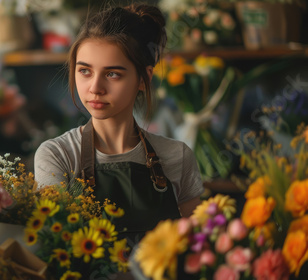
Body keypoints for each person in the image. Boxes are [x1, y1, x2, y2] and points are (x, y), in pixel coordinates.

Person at [34, 3, 204, 243]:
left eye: (113, 74)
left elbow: (198, 250)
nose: (95, 88)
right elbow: (55, 247)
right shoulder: (57, 155)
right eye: (85, 71)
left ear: (144, 79)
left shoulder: (178, 157)